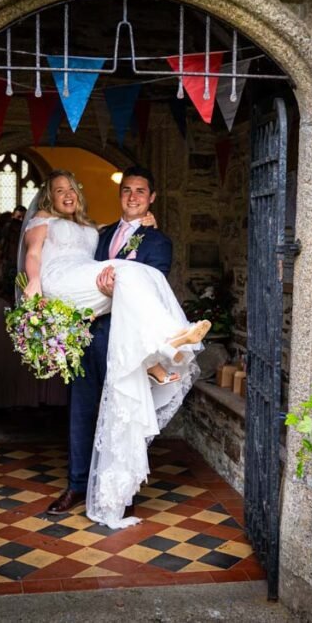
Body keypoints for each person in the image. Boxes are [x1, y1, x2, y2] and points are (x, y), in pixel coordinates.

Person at [21, 168, 209, 528]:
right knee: (81, 412)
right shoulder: (99, 233)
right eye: (127, 191)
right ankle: (77, 486)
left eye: (141, 191)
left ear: (152, 198)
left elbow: (152, 287)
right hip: (88, 336)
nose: (133, 197)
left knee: (125, 412)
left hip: (127, 344)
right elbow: (69, 258)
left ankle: (119, 491)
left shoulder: (158, 242)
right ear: (120, 195)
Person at [0, 219, 67, 410]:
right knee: (6, 354)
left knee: (20, 355)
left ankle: (20, 397)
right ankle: (6, 398)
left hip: (20, 305)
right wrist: (6, 295)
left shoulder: (29, 254)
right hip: (1, 305)